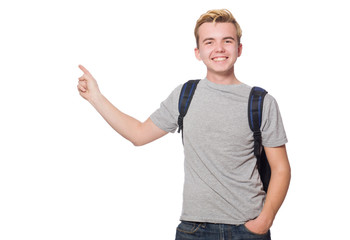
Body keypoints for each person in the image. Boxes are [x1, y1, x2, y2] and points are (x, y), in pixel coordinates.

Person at [77, 9, 291, 240]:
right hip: (193, 230)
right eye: (209, 42)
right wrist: (95, 98)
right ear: (198, 52)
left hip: (246, 228)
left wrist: (264, 221)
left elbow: (281, 169)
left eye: (227, 41)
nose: (218, 49)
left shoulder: (261, 102)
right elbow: (138, 134)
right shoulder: (185, 95)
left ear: (239, 48)